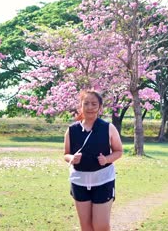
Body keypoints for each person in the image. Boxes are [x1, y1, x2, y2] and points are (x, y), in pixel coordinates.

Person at [64, 90, 123, 231]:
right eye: (86, 104)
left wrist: (107, 159)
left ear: (100, 107)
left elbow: (119, 151)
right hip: (79, 181)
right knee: (86, 226)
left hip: (103, 180)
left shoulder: (108, 128)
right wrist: (71, 158)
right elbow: (66, 154)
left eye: (94, 104)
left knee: (100, 226)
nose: (90, 107)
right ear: (81, 106)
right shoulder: (72, 130)